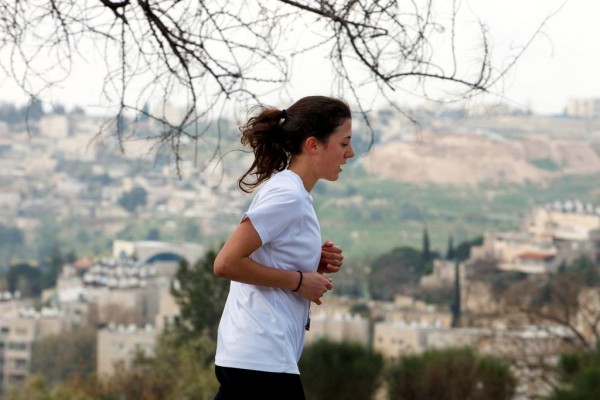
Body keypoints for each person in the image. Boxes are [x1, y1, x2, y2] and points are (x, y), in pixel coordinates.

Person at [213, 95, 355, 399]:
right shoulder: (287, 195)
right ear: (313, 144)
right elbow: (226, 263)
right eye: (344, 144)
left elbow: (266, 256)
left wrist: (310, 262)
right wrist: (301, 281)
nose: (350, 153)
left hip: (252, 357)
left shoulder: (294, 194)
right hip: (262, 359)